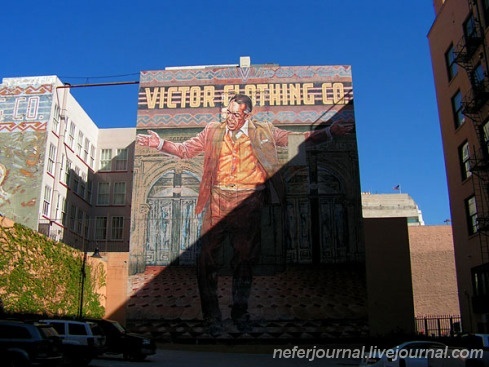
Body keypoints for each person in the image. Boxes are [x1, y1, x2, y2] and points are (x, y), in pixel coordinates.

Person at [136, 94, 351, 334]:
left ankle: (240, 314)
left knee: (244, 261)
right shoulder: (212, 130)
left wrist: (329, 132)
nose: (229, 118)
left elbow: (296, 140)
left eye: (235, 114)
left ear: (247, 114)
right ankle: (211, 316)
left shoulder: (264, 130)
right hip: (217, 200)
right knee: (206, 259)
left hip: (249, 202)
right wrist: (159, 144)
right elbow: (186, 150)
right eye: (228, 113)